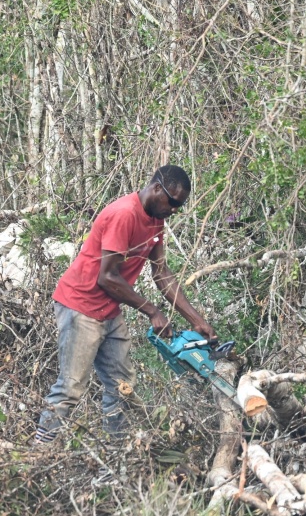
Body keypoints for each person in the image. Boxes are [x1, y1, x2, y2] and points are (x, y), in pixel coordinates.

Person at [34, 165, 217, 443]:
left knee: (122, 387)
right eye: (173, 202)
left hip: (109, 311)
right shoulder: (125, 214)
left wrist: (197, 321)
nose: (174, 210)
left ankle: (116, 459)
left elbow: (161, 273)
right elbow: (106, 277)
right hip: (80, 307)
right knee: (70, 388)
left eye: (180, 205)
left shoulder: (156, 219)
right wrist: (152, 311)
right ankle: (38, 452)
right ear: (157, 188)